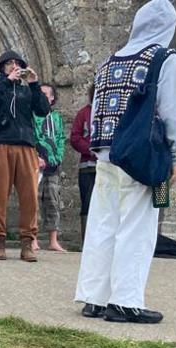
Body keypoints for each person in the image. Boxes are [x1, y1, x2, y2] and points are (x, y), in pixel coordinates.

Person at [75, 0, 176, 324]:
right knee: (137, 227)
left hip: (106, 156)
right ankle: (125, 302)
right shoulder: (163, 59)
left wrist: (100, 151)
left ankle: (93, 298)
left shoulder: (109, 62)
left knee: (102, 225)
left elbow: (96, 111)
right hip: (141, 156)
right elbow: (172, 112)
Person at [0, 50, 50, 261]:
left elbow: (43, 110)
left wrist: (35, 84)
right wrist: (5, 82)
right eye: (9, 63)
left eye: (17, 63)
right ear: (2, 66)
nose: (13, 66)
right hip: (1, 145)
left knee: (30, 197)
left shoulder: (26, 90)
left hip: (26, 146)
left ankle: (27, 242)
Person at [34, 83, 67, 252]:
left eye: (46, 94)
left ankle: (53, 240)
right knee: (34, 201)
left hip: (53, 165)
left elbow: (61, 138)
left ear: (52, 98)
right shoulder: (33, 116)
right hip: (37, 165)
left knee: (53, 201)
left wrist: (58, 156)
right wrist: (36, 156)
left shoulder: (56, 118)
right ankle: (33, 239)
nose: (43, 96)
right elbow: (32, 137)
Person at [69, 84, 97, 240]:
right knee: (87, 203)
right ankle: (86, 240)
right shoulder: (83, 113)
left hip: (107, 168)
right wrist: (91, 150)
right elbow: (75, 138)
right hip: (88, 168)